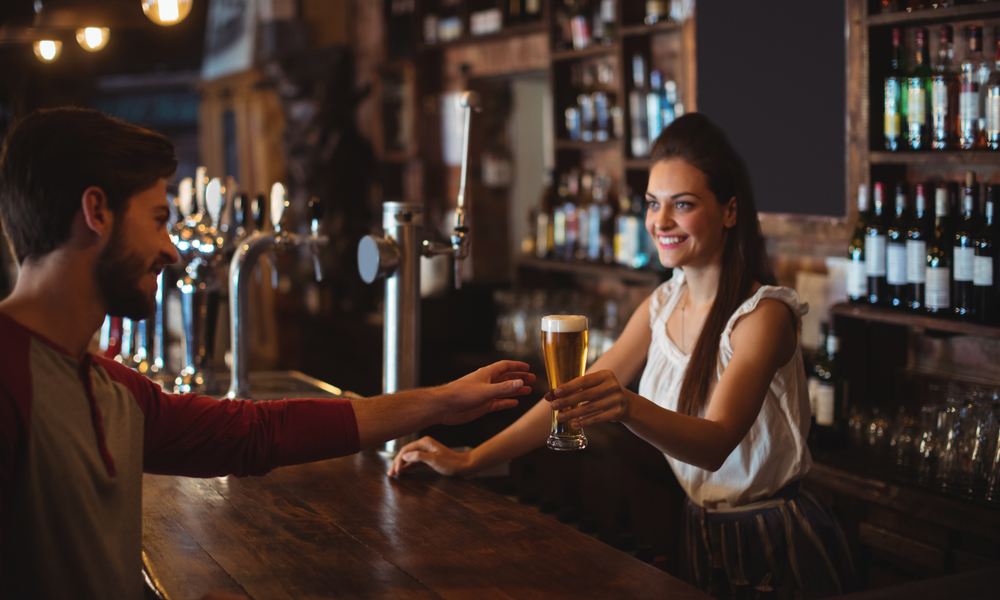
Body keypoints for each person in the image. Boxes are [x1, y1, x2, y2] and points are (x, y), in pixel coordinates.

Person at [0, 107, 535, 600]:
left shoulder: (107, 386)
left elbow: (256, 432)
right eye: (160, 219)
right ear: (96, 211)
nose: (172, 248)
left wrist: (439, 402)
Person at [389, 113, 857, 599]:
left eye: (684, 204)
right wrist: (471, 459)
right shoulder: (662, 304)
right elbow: (569, 398)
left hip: (775, 543)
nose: (661, 222)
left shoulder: (763, 315)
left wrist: (629, 406)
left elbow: (715, 445)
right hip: (700, 533)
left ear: (730, 211)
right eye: (654, 204)